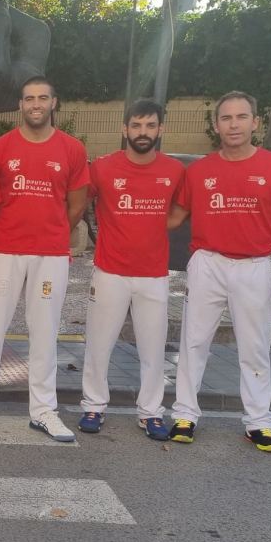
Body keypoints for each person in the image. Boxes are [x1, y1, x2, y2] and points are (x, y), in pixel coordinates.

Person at [168, 91, 271, 453]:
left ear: (255, 122)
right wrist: (128, 219)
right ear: (216, 125)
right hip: (207, 264)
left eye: (241, 117)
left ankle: (259, 422)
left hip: (254, 267)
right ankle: (184, 415)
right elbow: (175, 217)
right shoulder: (198, 171)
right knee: (194, 342)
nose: (234, 125)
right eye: (226, 118)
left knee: (255, 347)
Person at [0, 77, 90, 442]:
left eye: (42, 98)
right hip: (4, 251)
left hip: (50, 255)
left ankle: (43, 410)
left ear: (54, 103)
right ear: (20, 104)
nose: (36, 104)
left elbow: (77, 204)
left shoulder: (72, 149)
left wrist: (52, 232)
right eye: (29, 98)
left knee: (45, 333)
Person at [78, 100, 184, 440]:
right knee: (99, 344)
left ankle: (151, 413)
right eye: (136, 125)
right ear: (124, 129)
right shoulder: (103, 167)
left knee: (153, 349)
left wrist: (150, 228)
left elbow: (179, 212)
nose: (143, 132)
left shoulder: (174, 170)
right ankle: (93, 405)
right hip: (109, 271)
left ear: (160, 129)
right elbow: (79, 201)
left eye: (150, 125)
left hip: (153, 274)